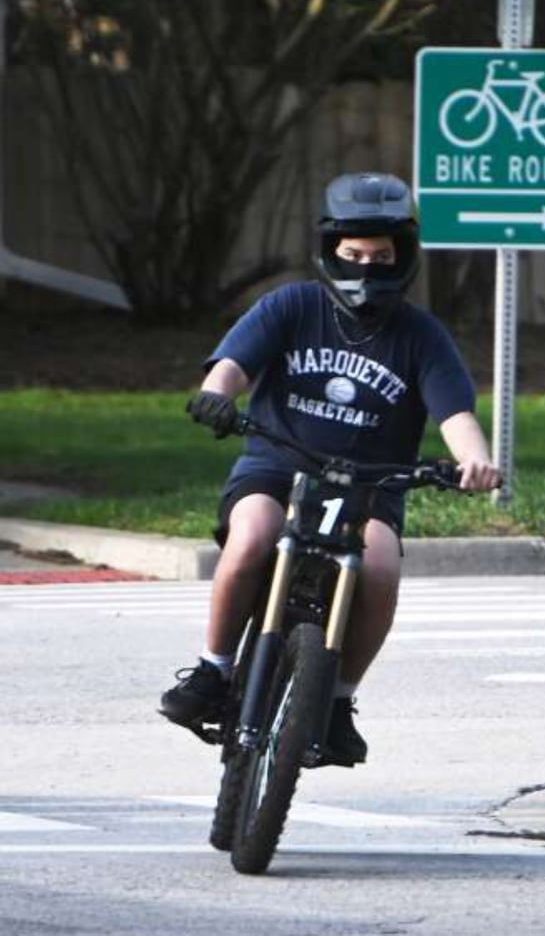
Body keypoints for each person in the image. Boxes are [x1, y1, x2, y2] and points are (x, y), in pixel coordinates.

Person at [159, 171, 501, 766]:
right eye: (354, 255)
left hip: (371, 487)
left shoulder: (421, 335)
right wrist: (217, 394)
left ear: (403, 258)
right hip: (275, 468)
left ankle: (338, 701)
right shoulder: (292, 306)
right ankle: (212, 671)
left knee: (380, 566)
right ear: (329, 251)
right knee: (253, 538)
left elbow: (455, 412)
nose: (367, 268)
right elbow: (232, 365)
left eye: (381, 256)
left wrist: (475, 458)